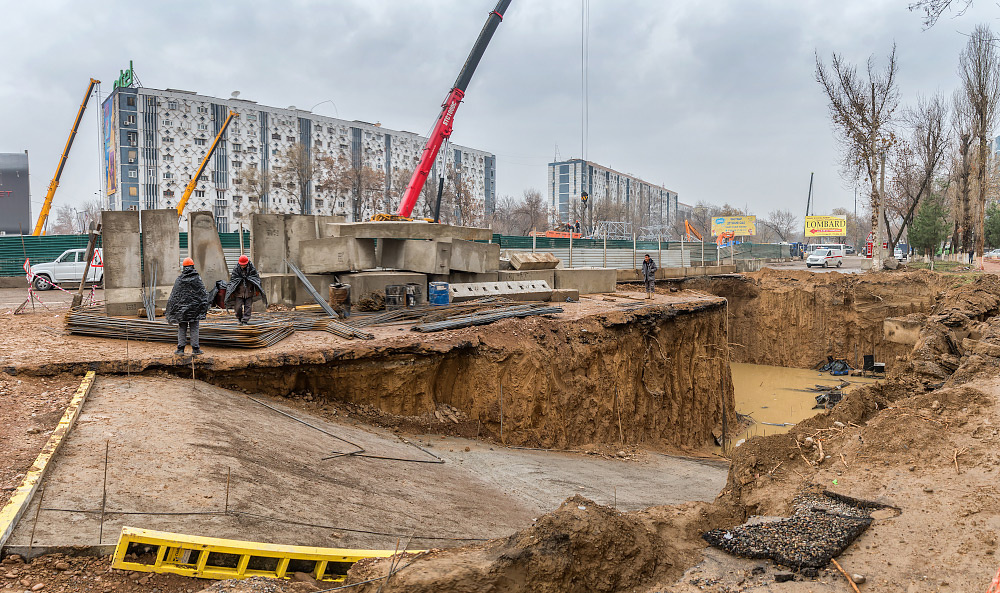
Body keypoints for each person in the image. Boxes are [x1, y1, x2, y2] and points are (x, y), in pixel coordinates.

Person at [166, 257, 210, 356]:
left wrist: (174, 310)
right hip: (194, 310)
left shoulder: (179, 280)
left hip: (182, 311)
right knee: (194, 328)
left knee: (182, 328)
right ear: (193, 266)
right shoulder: (197, 279)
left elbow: (174, 296)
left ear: (184, 267)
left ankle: (180, 349)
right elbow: (203, 294)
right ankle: (195, 349)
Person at [226, 255, 267, 325]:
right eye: (241, 265)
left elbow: (256, 279)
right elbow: (233, 281)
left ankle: (245, 320)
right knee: (238, 307)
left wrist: (257, 289)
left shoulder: (252, 269)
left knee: (248, 307)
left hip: (249, 291)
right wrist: (231, 291)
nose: (243, 266)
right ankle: (239, 318)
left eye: (244, 265)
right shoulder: (236, 269)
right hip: (239, 292)